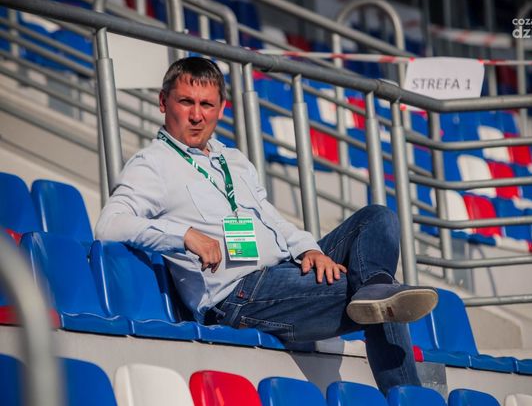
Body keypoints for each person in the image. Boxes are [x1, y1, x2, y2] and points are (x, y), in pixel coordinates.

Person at [95, 56, 438, 394]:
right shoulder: (152, 164)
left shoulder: (233, 159)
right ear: (163, 102)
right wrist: (183, 236)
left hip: (284, 270)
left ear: (221, 108)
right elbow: (110, 224)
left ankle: (374, 287)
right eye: (186, 102)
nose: (197, 115)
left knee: (378, 218)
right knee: (377, 297)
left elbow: (270, 219)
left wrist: (308, 249)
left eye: (207, 105)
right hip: (239, 296)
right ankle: (405, 383)